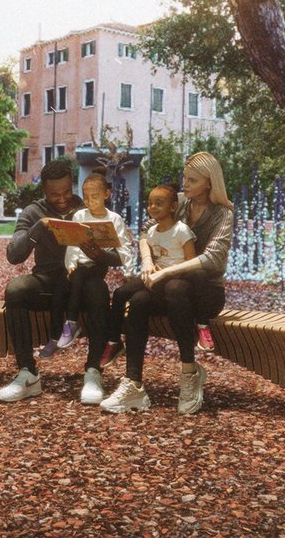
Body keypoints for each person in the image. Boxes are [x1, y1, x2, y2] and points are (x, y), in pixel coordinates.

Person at [100, 152, 234, 415]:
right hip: (172, 290)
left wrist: (165, 273)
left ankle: (189, 373)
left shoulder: (223, 214)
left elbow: (212, 259)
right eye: (185, 177)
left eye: (192, 180)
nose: (185, 183)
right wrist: (149, 262)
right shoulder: (179, 202)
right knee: (138, 301)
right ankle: (134, 384)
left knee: (174, 287)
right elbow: (144, 231)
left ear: (209, 182)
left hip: (206, 293)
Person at [0, 157, 85, 402]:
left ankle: (94, 373)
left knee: (97, 290)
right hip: (46, 283)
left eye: (67, 191)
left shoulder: (84, 209)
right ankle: (28, 372)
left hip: (79, 284)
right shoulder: (33, 211)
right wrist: (39, 227)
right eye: (55, 194)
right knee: (15, 289)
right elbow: (14, 255)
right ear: (44, 191)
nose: (63, 198)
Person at [52, 168, 135, 404]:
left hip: (98, 267)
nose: (89, 201)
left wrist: (127, 272)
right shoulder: (80, 216)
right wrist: (70, 265)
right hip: (80, 271)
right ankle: (76, 340)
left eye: (94, 196)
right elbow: (72, 245)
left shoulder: (114, 219)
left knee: (94, 282)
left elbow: (123, 252)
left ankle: (72, 323)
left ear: (107, 194)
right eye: (85, 197)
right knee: (85, 280)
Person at [98, 182, 196, 374]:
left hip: (172, 280)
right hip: (155, 277)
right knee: (119, 293)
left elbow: (191, 263)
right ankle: (114, 341)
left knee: (139, 299)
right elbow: (151, 256)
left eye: (159, 203)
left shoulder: (181, 230)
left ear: (173, 207)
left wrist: (170, 271)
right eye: (150, 203)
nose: (153, 207)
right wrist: (151, 267)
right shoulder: (151, 232)